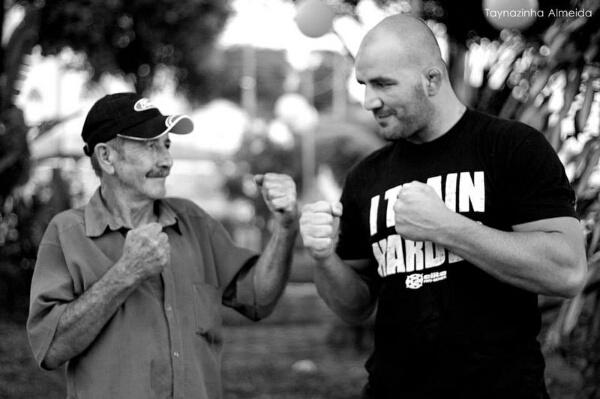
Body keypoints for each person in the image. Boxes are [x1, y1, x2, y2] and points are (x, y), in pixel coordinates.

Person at [300, 14, 587, 399]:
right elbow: (355, 306)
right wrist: (323, 258)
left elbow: (567, 272)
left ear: (432, 80)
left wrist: (448, 228)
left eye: (383, 83)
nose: (370, 101)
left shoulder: (512, 148)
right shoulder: (365, 178)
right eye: (364, 85)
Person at [27, 92, 298, 399]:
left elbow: (260, 300)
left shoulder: (194, 222)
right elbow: (50, 349)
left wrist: (286, 227)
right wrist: (125, 274)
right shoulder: (66, 233)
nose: (166, 161)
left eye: (166, 145)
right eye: (149, 145)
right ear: (106, 157)